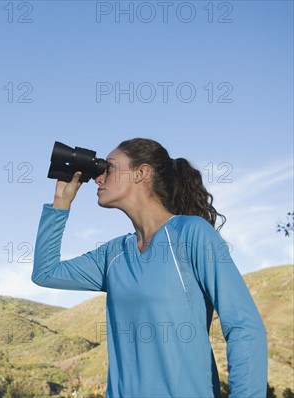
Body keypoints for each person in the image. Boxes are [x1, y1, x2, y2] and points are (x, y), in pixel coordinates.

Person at [32, 138, 268, 398]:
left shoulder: (191, 233)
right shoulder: (114, 253)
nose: (98, 178)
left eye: (108, 168)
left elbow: (244, 327)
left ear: (141, 173)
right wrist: (60, 204)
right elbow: (46, 272)